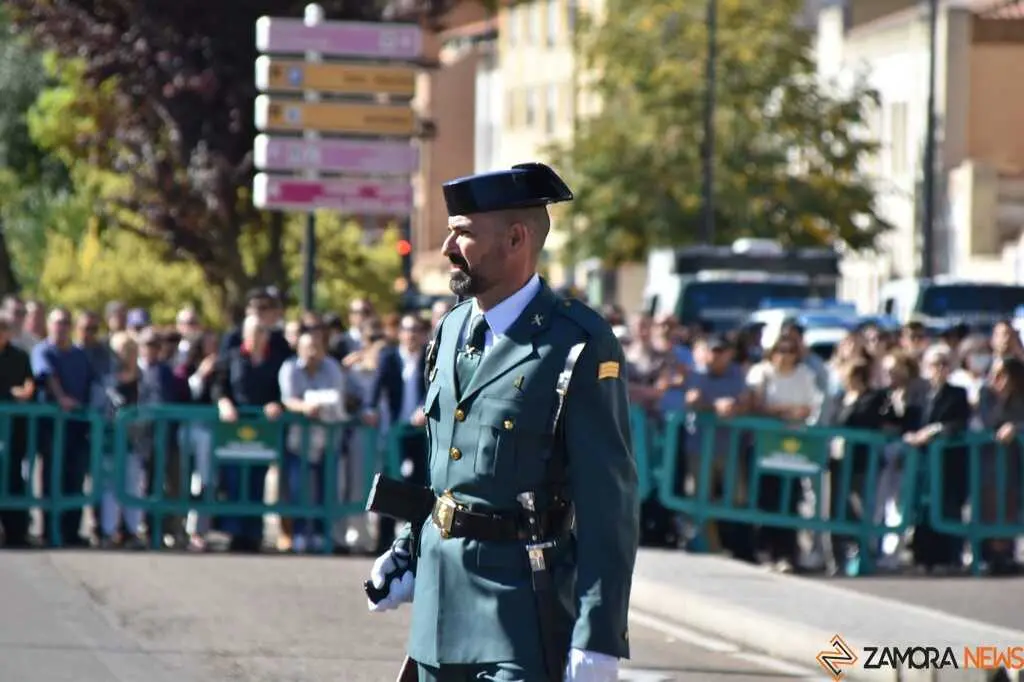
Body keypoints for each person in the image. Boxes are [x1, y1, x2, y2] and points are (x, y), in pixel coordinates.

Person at [365, 162, 640, 682]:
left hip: (520, 615)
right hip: (438, 611)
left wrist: (598, 637)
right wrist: (408, 553)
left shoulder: (575, 342)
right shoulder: (449, 331)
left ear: (516, 238)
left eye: (463, 233)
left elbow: (610, 502)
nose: (447, 247)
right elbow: (448, 470)